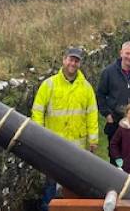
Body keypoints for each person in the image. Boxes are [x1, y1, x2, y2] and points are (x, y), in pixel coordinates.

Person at [31, 47, 98, 211]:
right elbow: (37, 111)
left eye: (76, 61)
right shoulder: (49, 85)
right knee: (52, 183)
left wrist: (94, 140)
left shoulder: (86, 88)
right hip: (54, 145)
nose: (73, 63)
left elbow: (92, 114)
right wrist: (39, 136)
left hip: (78, 146)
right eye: (70, 59)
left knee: (75, 183)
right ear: (64, 60)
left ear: (79, 63)